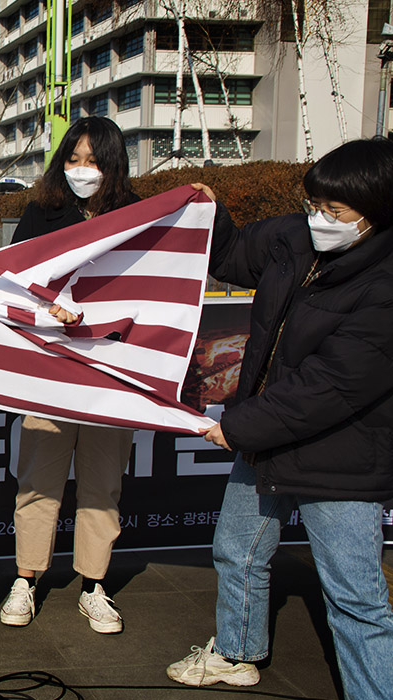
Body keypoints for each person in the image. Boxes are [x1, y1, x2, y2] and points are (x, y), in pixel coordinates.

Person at [165, 138, 393, 699]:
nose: (320, 219)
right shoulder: (295, 237)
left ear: (379, 211)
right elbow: (232, 252)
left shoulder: (386, 286)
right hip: (264, 438)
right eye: (314, 204)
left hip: (339, 455)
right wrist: (210, 212)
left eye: (335, 212)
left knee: (355, 598)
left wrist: (239, 427)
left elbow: (333, 387)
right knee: (237, 552)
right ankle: (236, 653)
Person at [2, 117, 139, 635]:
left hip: (110, 371)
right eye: (74, 159)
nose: (82, 171)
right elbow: (14, 280)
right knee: (39, 480)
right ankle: (26, 580)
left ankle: (94, 585)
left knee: (103, 484)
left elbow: (152, 285)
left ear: (114, 165)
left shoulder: (136, 213)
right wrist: (48, 310)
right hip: (50, 369)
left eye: (94, 161)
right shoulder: (44, 210)